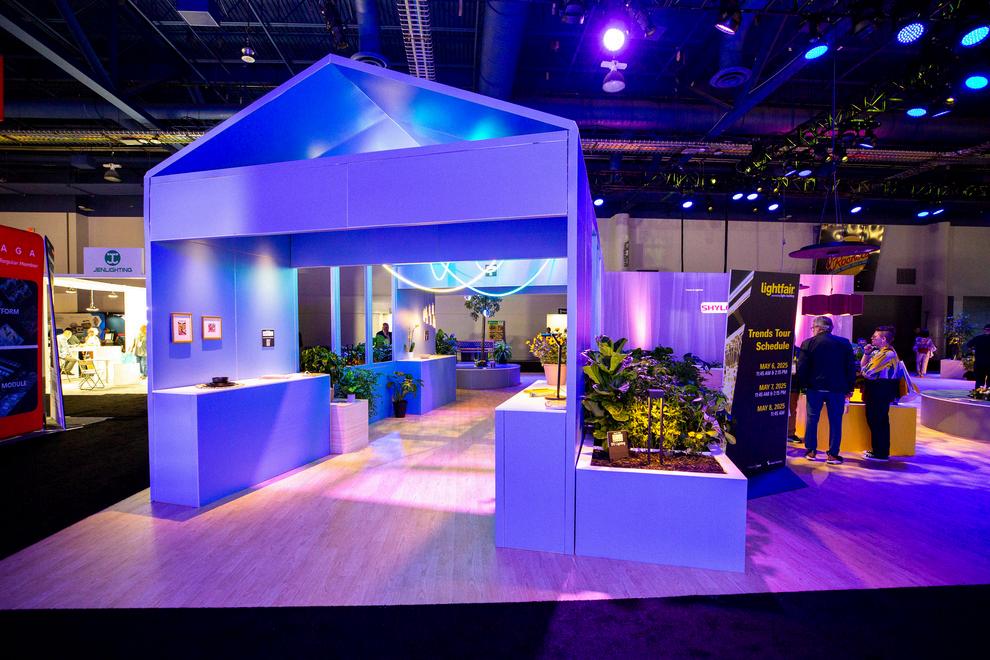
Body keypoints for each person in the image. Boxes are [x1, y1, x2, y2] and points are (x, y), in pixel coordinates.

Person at [796, 316, 857, 464]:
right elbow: (850, 367)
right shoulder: (844, 343)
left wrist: (803, 385)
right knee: (836, 421)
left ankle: (811, 451)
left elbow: (802, 367)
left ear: (818, 328)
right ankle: (833, 455)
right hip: (837, 388)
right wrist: (850, 387)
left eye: (813, 328)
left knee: (812, 419)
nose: (812, 330)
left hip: (814, 388)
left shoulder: (808, 343)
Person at [860, 327, 916, 461]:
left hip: (880, 390)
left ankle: (880, 452)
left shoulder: (886, 354)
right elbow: (864, 367)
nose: (872, 338)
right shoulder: (879, 352)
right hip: (879, 390)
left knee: (877, 420)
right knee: (877, 419)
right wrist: (866, 354)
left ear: (883, 339)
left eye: (875, 336)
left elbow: (866, 372)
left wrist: (865, 369)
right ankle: (879, 450)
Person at [966, 323, 990, 388]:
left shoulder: (978, 338)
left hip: (979, 362)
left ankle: (978, 392)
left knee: (979, 380)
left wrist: (973, 350)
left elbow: (968, 345)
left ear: (984, 330)